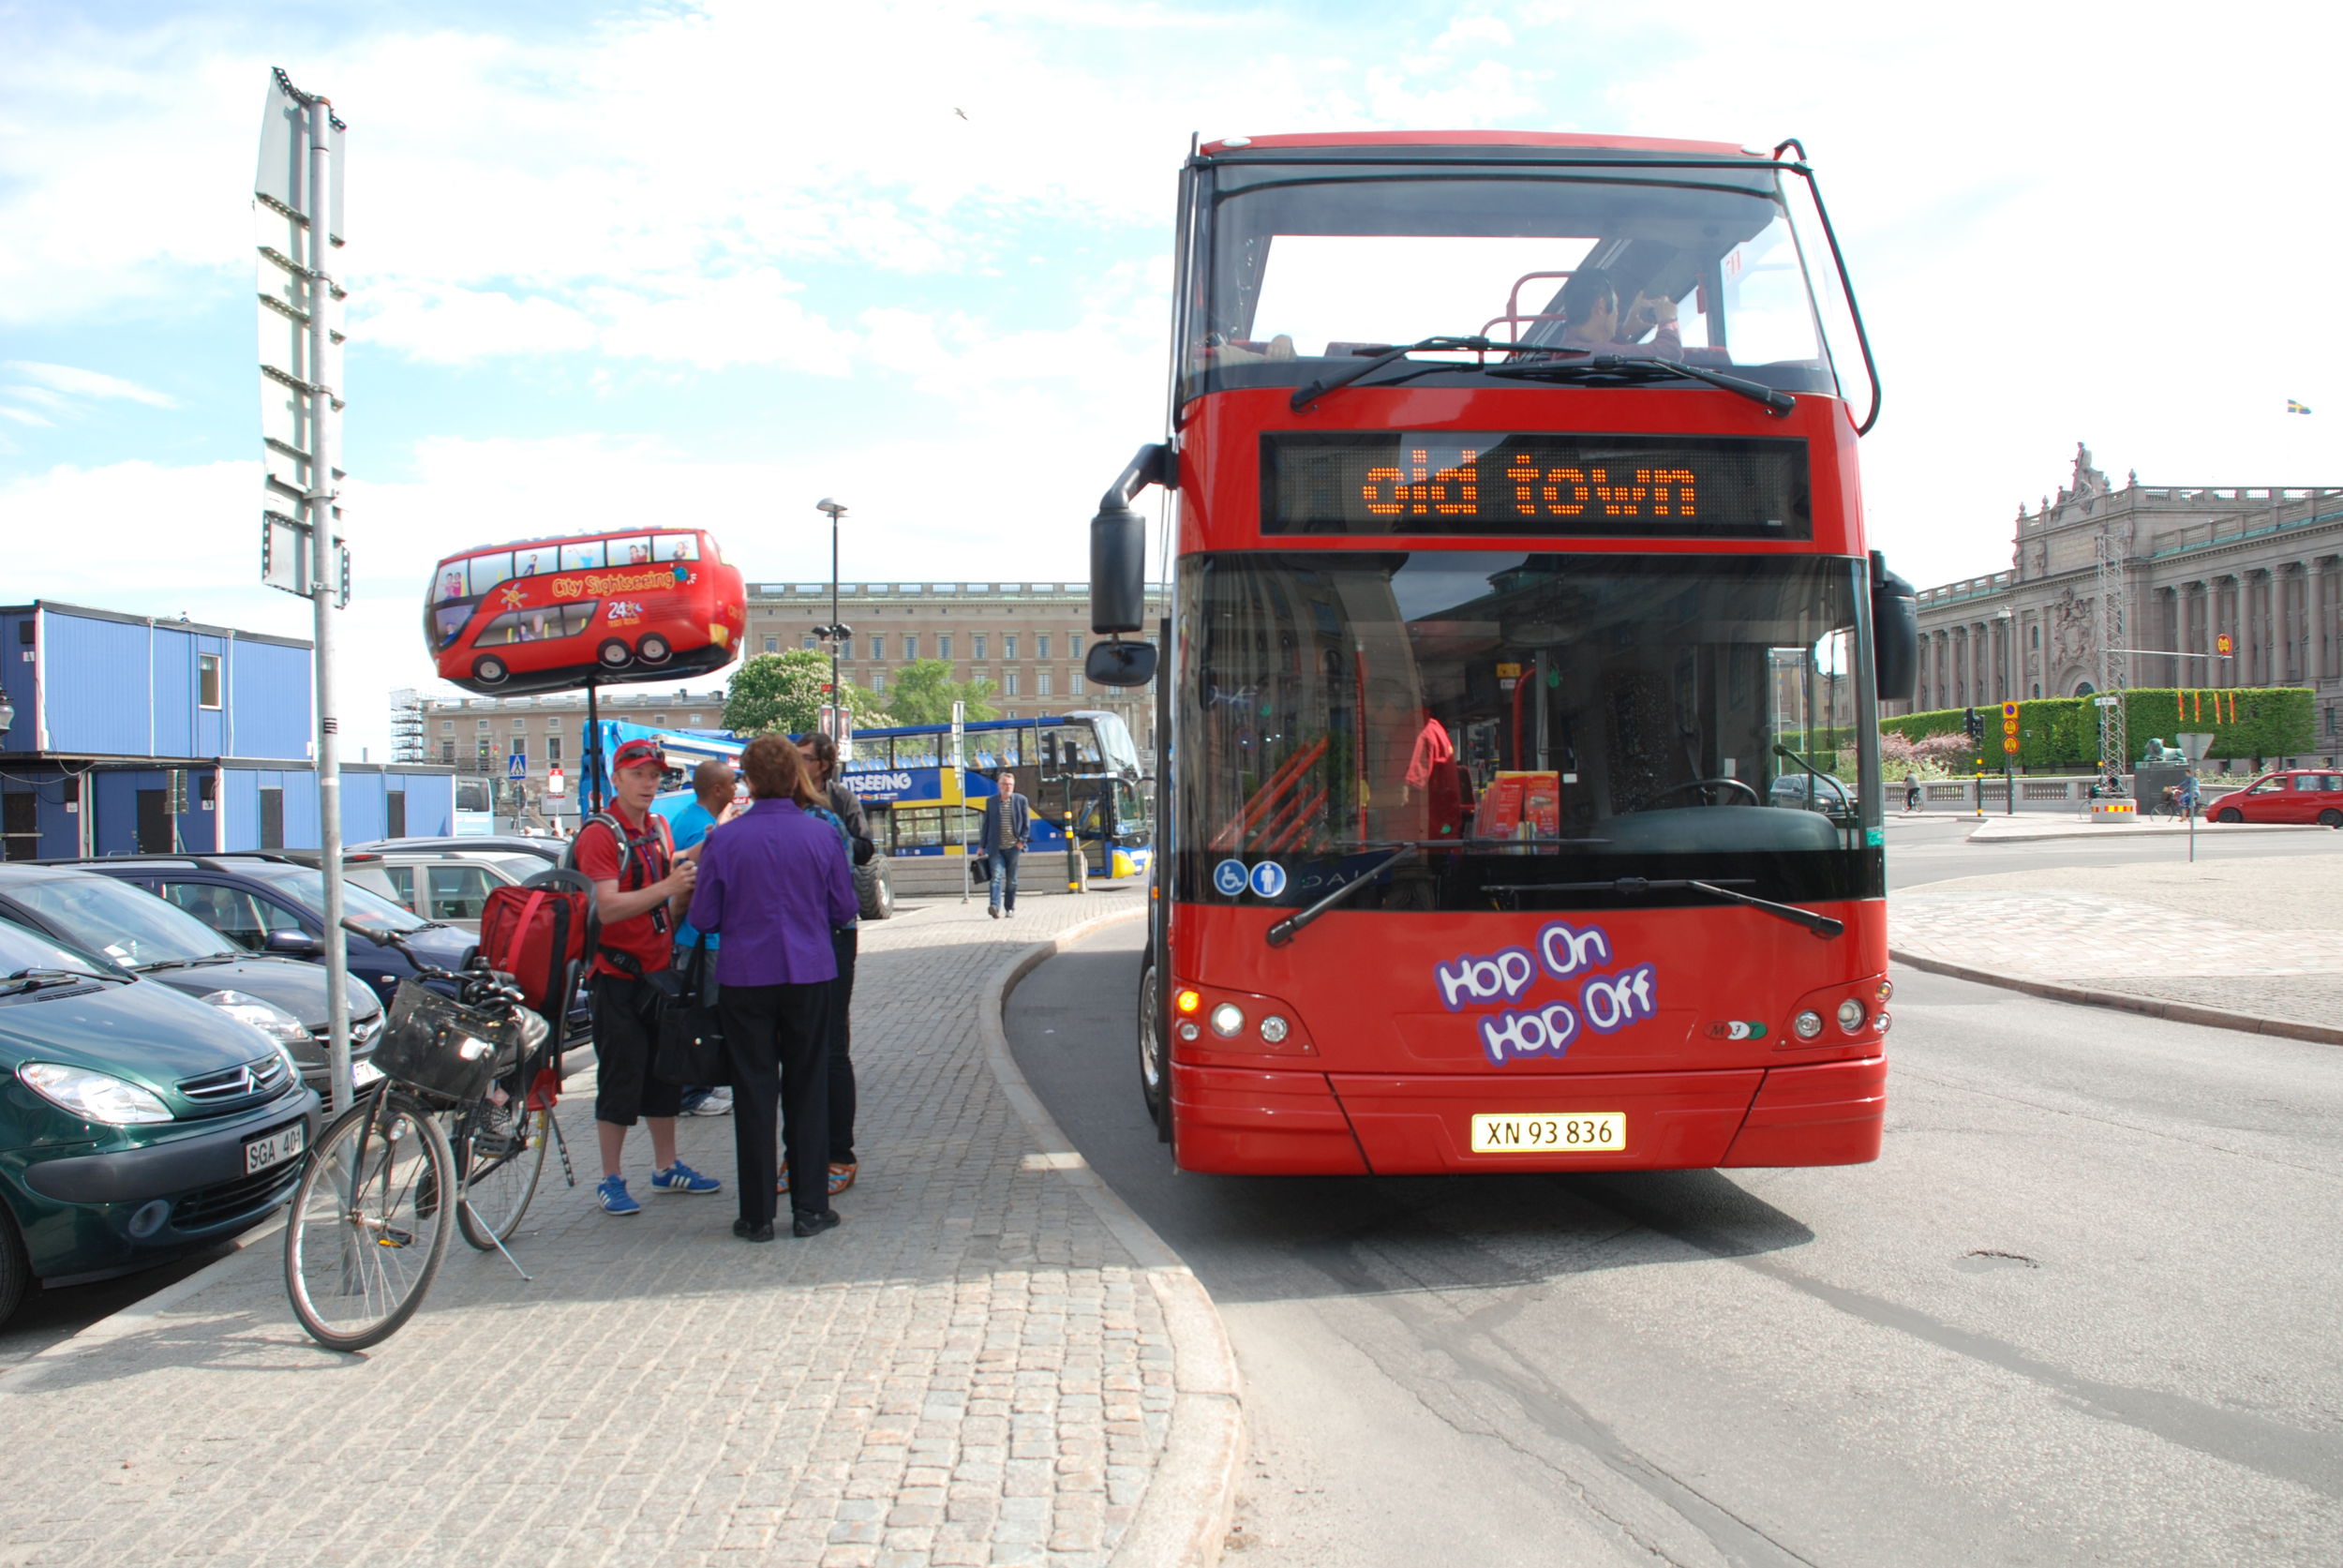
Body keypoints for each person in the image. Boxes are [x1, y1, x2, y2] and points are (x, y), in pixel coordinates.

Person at [689, 737, 858, 1242]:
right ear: (795, 777)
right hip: (809, 972)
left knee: (752, 1090)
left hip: (745, 976)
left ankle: (757, 1215)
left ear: (749, 781)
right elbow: (844, 908)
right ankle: (811, 1208)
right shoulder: (821, 834)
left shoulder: (724, 841)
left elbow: (704, 917)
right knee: (808, 1086)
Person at [571, 737, 722, 1216]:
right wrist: (669, 888)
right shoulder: (599, 834)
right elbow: (607, 907)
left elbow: (672, 867)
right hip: (616, 976)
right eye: (637, 774)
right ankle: (610, 1178)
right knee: (620, 1075)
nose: (648, 783)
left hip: (659, 973)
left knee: (666, 1072)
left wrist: (712, 843)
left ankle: (666, 1166)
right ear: (616, 778)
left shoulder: (657, 826)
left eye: (654, 775)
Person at [796, 732, 874, 1196]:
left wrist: (836, 841)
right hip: (799, 935)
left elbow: (864, 848)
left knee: (831, 1044)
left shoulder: (840, 802)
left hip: (834, 931)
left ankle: (839, 1151)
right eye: (796, 758)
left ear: (824, 764)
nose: (801, 765)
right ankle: (800, 1150)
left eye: (807, 759)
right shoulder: (787, 801)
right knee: (798, 1047)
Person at [663, 758, 740, 1119]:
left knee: (706, 1013)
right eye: (732, 783)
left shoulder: (688, 819)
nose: (736, 789)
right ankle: (693, 1093)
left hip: (698, 938)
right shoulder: (700, 827)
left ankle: (703, 1085)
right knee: (701, 1016)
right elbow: (690, 885)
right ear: (717, 789)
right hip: (699, 940)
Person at [1555, 267, 1682, 359]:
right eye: (1616, 305)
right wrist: (1668, 320)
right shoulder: (1589, 354)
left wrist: (1625, 331)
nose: (1617, 313)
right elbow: (1670, 353)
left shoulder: (1569, 349)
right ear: (1601, 306)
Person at [980, 769, 1032, 918]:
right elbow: (986, 824)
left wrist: (1021, 841)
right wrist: (982, 846)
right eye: (1005, 784)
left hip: (1013, 847)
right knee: (995, 877)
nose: (1008, 787)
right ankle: (994, 906)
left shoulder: (1021, 800)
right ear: (999, 785)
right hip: (996, 848)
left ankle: (1009, 908)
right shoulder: (991, 802)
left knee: (1011, 881)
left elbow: (1026, 824)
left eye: (1010, 784)